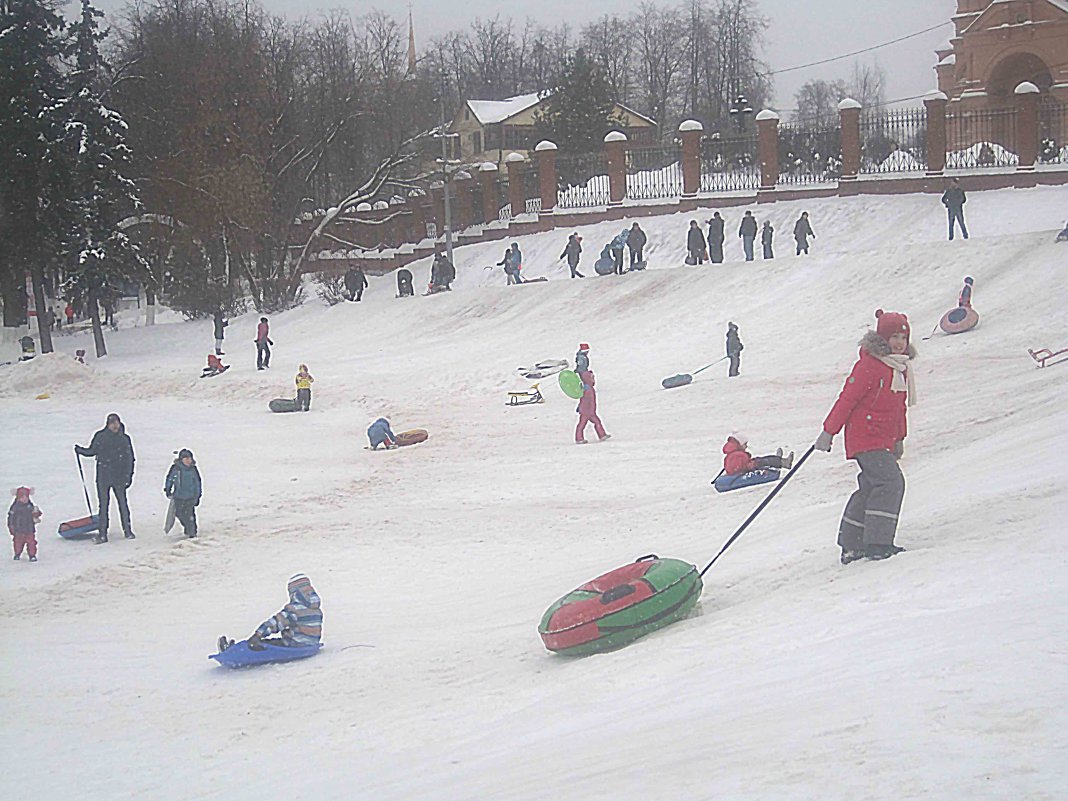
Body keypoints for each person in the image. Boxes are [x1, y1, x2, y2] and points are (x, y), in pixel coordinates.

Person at [814, 309, 916, 564]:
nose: (899, 342)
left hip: (882, 439)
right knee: (891, 483)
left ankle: (852, 543)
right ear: (882, 338)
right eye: (893, 336)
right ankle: (878, 543)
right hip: (865, 437)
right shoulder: (869, 366)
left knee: (872, 485)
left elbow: (898, 409)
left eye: (903, 338)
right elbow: (847, 400)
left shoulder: (899, 369)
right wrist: (828, 432)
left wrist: (899, 438)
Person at [219, 573, 323, 653]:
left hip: (293, 645)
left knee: (262, 645)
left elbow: (276, 622)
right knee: (273, 641)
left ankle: (235, 651)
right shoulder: (316, 610)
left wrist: (258, 634)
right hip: (311, 644)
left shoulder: (295, 609)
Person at [75, 412, 136, 544]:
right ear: (107, 424)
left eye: (116, 423)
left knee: (123, 505)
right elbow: (92, 451)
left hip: (119, 477)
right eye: (112, 423)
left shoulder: (124, 439)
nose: (115, 426)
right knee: (103, 506)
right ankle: (103, 533)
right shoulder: (100, 436)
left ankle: (128, 530)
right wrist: (81, 450)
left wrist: (128, 476)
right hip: (103, 476)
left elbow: (130, 459)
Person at [164, 449, 202, 539]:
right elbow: (170, 478)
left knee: (190, 514)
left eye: (189, 458)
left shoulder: (193, 469)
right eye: (186, 458)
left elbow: (197, 482)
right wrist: (168, 489)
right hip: (179, 496)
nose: (188, 461)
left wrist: (198, 495)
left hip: (190, 496)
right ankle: (187, 527)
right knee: (179, 513)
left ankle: (192, 532)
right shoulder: (176, 468)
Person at [721, 434, 794, 476]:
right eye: (745, 444)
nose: (746, 446)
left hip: (743, 469)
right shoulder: (737, 455)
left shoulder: (732, 453)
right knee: (764, 461)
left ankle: (778, 459)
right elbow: (739, 468)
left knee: (761, 459)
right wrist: (753, 464)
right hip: (741, 473)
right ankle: (783, 463)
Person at [575, 369, 610, 444]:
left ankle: (601, 435)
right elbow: (585, 401)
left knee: (596, 422)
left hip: (589, 411)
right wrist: (582, 408)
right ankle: (579, 438)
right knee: (582, 424)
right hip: (587, 411)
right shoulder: (587, 389)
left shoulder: (588, 388)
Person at [8, 486, 42, 562]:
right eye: (22, 497)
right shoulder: (15, 507)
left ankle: (32, 555)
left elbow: (35, 514)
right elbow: (10, 518)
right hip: (18, 529)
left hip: (29, 529)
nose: (24, 499)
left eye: (26, 497)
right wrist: (11, 526)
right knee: (18, 543)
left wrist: (37, 514)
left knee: (31, 543)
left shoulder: (30, 506)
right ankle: (17, 553)